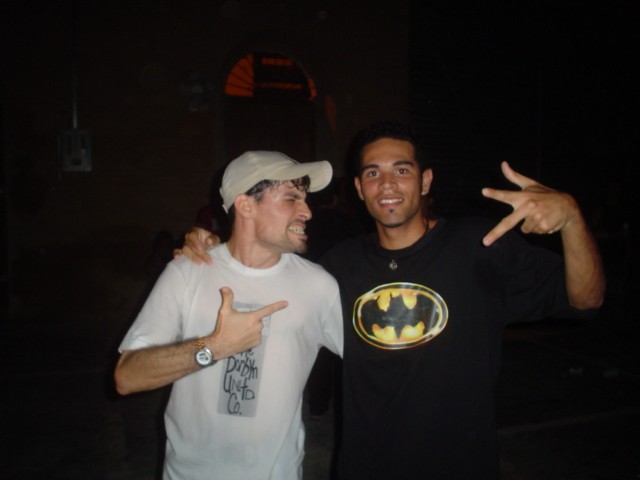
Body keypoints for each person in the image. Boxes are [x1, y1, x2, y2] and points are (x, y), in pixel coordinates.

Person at [180, 121, 605, 479]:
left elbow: (586, 299)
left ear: (425, 180)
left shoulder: (479, 245)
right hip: (366, 466)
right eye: (372, 173)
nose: (387, 184)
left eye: (402, 170)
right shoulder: (338, 266)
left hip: (461, 464)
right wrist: (217, 253)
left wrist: (571, 218)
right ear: (359, 189)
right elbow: (262, 285)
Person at [115, 151, 343, 480]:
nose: (307, 211)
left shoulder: (318, 286)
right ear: (246, 205)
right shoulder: (188, 272)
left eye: (305, 199)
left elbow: (373, 363)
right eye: (291, 198)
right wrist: (213, 347)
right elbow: (126, 377)